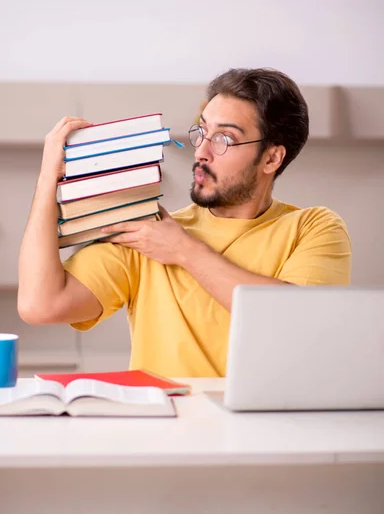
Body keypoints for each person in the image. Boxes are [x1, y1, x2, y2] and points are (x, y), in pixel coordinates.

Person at [18, 68, 351, 377]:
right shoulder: (148, 234)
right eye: (202, 131)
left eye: (225, 139)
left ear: (271, 158)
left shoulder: (312, 228)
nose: (201, 152)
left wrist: (184, 251)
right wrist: (49, 177)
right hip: (168, 434)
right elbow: (40, 306)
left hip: (265, 434)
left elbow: (301, 322)